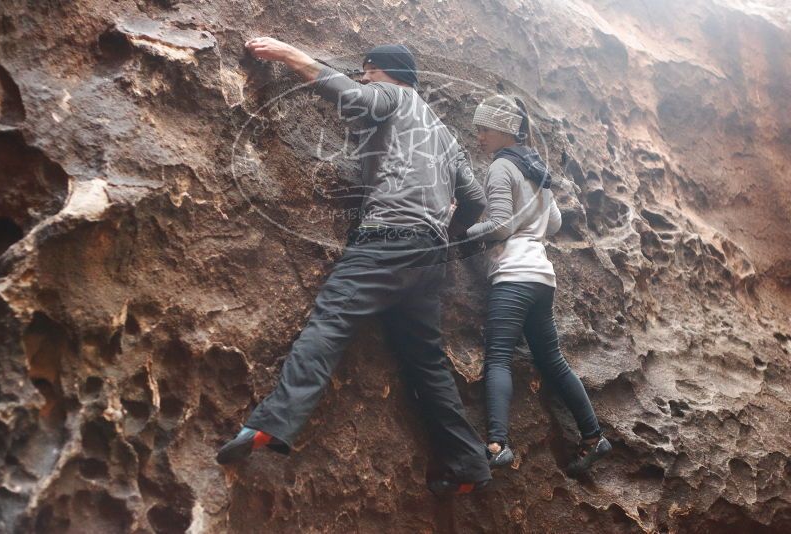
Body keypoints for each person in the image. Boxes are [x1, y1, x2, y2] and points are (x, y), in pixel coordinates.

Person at [216, 38, 493, 495]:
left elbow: (354, 94)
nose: (364, 78)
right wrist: (446, 222)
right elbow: (477, 201)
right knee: (427, 364)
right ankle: (468, 466)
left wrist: (291, 56)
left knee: (331, 321)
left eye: (366, 71)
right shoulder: (445, 134)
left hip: (386, 240)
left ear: (379, 70)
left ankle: (274, 422)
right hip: (429, 257)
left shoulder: (392, 95)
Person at [465, 95, 611, 475]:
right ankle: (594, 437)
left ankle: (497, 445)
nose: (479, 137)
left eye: (483, 130)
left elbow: (499, 227)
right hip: (542, 277)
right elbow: (556, 224)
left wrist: (465, 230)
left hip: (513, 275)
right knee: (552, 361)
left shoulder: (501, 168)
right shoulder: (535, 169)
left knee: (498, 357)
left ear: (502, 130)